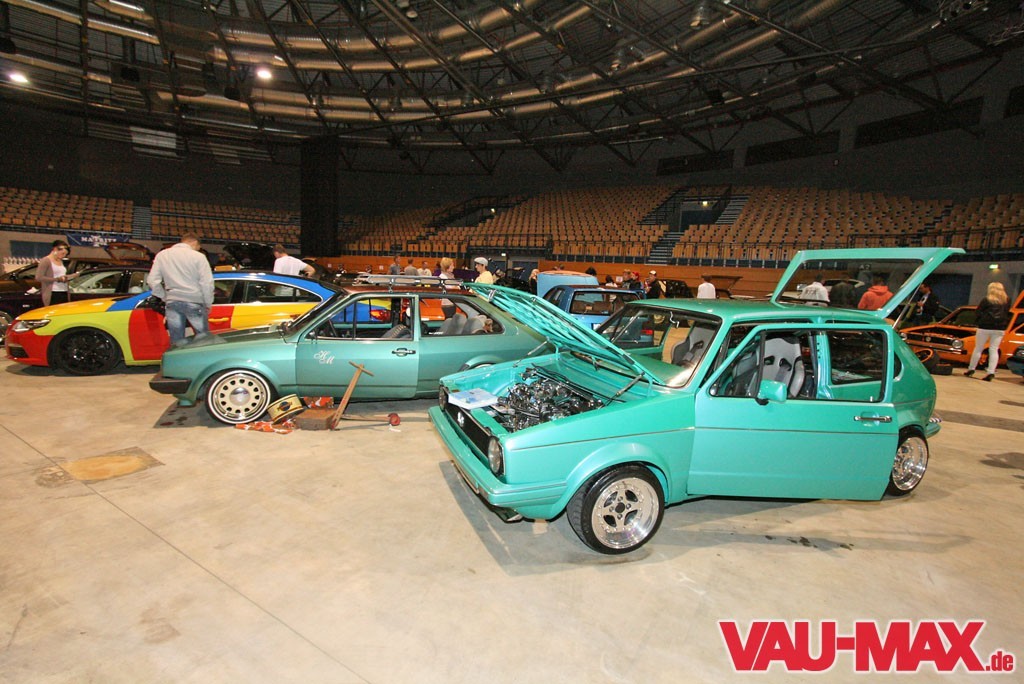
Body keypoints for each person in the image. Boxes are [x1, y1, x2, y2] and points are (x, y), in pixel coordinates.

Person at [147, 233, 215, 347]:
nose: (198, 250)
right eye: (199, 247)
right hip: (194, 301)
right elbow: (207, 283)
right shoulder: (198, 257)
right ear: (195, 243)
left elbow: (152, 280)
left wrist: (165, 297)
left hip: (172, 301)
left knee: (177, 342)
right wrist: (208, 303)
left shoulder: (162, 255)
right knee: (203, 340)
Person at [964, 282, 1011, 381]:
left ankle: (971, 369)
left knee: (978, 348)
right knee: (994, 349)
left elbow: (978, 312)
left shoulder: (986, 300)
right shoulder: (1007, 300)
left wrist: (980, 320)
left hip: (985, 327)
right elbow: (1007, 312)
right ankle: (991, 372)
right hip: (1000, 328)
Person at [36, 239, 78, 306]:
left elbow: (61, 275)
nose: (64, 256)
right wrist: (57, 279)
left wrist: (70, 276)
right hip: (53, 292)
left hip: (63, 291)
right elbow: (39, 277)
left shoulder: (60, 261)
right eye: (63, 253)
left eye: (65, 254)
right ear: (55, 250)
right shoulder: (46, 260)